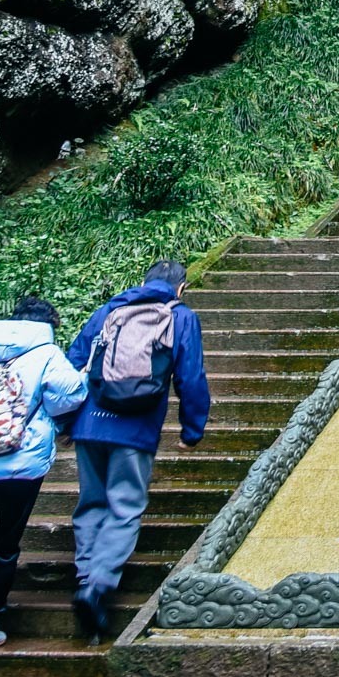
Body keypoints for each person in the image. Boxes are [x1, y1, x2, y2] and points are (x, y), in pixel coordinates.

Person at [67, 260, 210, 640]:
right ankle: (96, 586)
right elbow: (190, 376)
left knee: (91, 502)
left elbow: (73, 364)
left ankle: (85, 577)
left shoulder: (108, 311)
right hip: (136, 428)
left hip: (89, 424)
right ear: (181, 288)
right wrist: (192, 430)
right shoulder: (180, 317)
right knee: (124, 506)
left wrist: (67, 423)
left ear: (143, 281)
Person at [0, 297, 88, 649]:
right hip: (21, 463)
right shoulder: (47, 353)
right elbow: (69, 396)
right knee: (4, 541)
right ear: (49, 322)